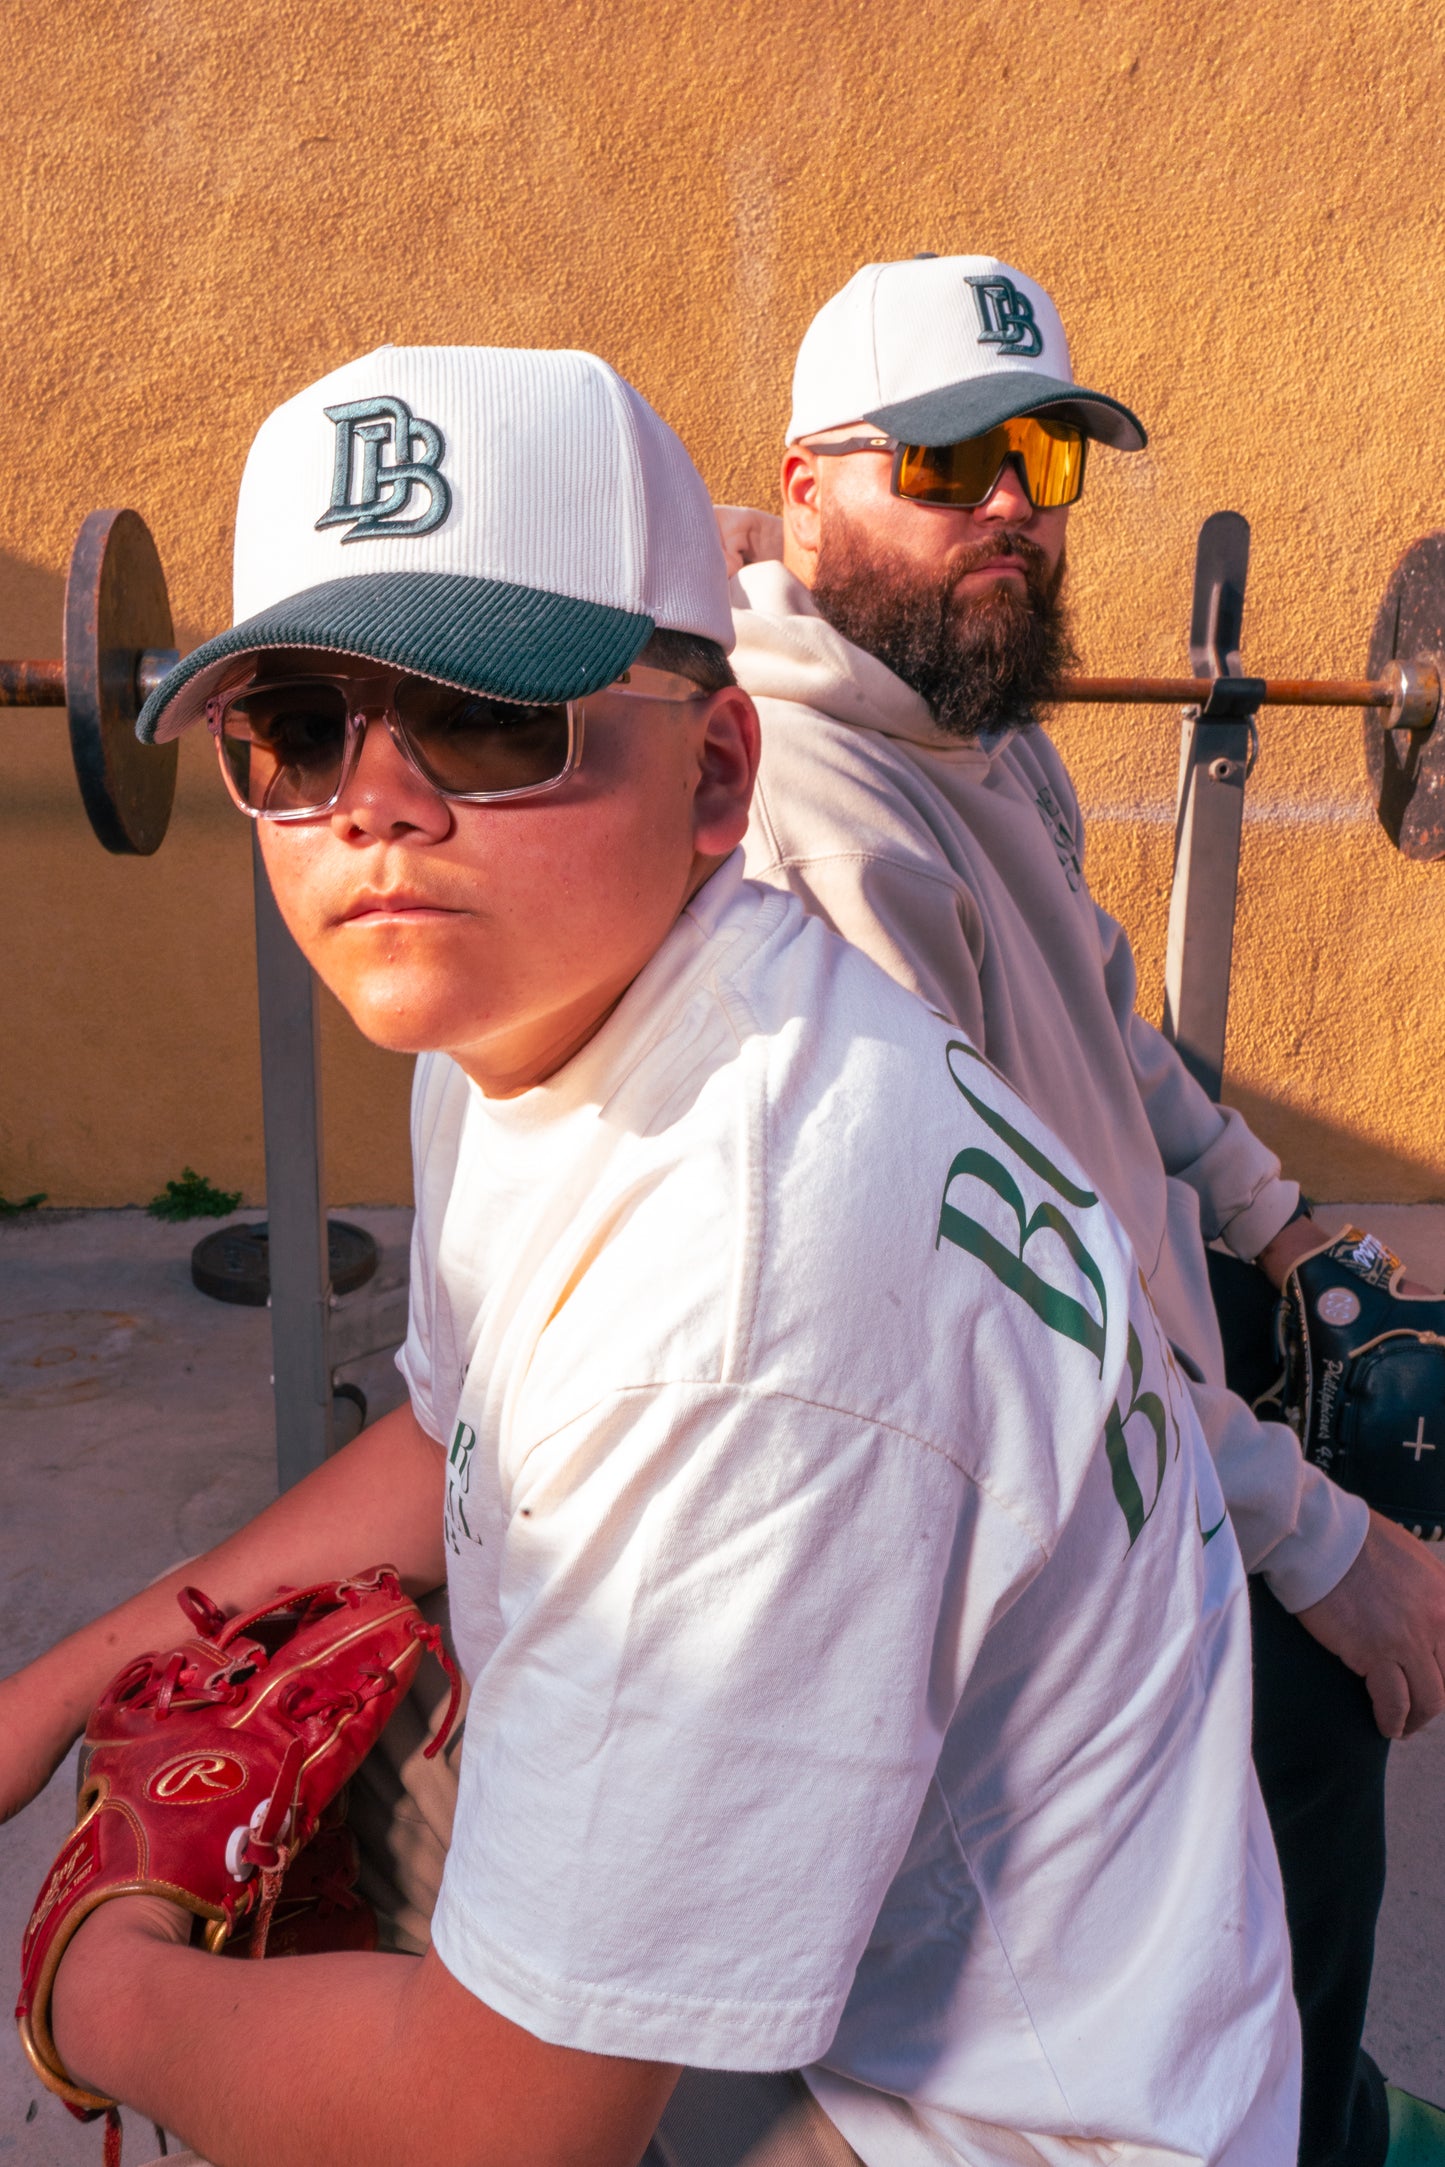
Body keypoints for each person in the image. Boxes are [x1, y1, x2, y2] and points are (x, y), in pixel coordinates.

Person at [0, 343, 1299, 2167]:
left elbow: (498, 2129)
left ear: (716, 772)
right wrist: (60, 1686)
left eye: (483, 717)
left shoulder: (745, 1275)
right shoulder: (556, 1006)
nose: (373, 802)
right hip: (989, 1972)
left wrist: (91, 1982)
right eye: (296, 728)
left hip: (990, 2123)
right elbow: (454, 1424)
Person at [714, 253, 1445, 2167]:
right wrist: (1305, 1533)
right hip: (1025, 1467)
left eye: (1043, 451)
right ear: (805, 488)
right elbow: (1001, 1287)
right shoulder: (817, 821)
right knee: (1300, 1738)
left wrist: (1279, 1228)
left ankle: (1320, 2101)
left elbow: (1113, 1042)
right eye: (946, 462)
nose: (1013, 507)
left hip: (1143, 1398)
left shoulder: (986, 734)